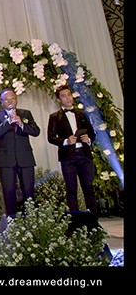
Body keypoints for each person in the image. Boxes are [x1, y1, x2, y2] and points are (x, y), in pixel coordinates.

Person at [0, 88, 40, 219]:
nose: (10, 101)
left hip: (25, 158)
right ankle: (11, 220)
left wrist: (22, 124)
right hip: (6, 159)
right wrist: (8, 122)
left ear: (16, 100)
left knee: (28, 190)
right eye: (6, 99)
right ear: (1, 102)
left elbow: (36, 131)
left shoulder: (25, 113)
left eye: (12, 98)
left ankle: (30, 219)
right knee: (8, 191)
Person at [47, 84, 98, 217]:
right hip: (68, 157)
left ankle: (93, 220)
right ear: (59, 100)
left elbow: (92, 133)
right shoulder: (55, 117)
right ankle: (76, 221)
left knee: (89, 188)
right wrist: (66, 141)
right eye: (64, 96)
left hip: (84, 156)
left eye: (69, 95)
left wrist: (88, 139)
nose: (68, 98)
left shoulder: (82, 114)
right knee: (71, 189)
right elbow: (51, 137)